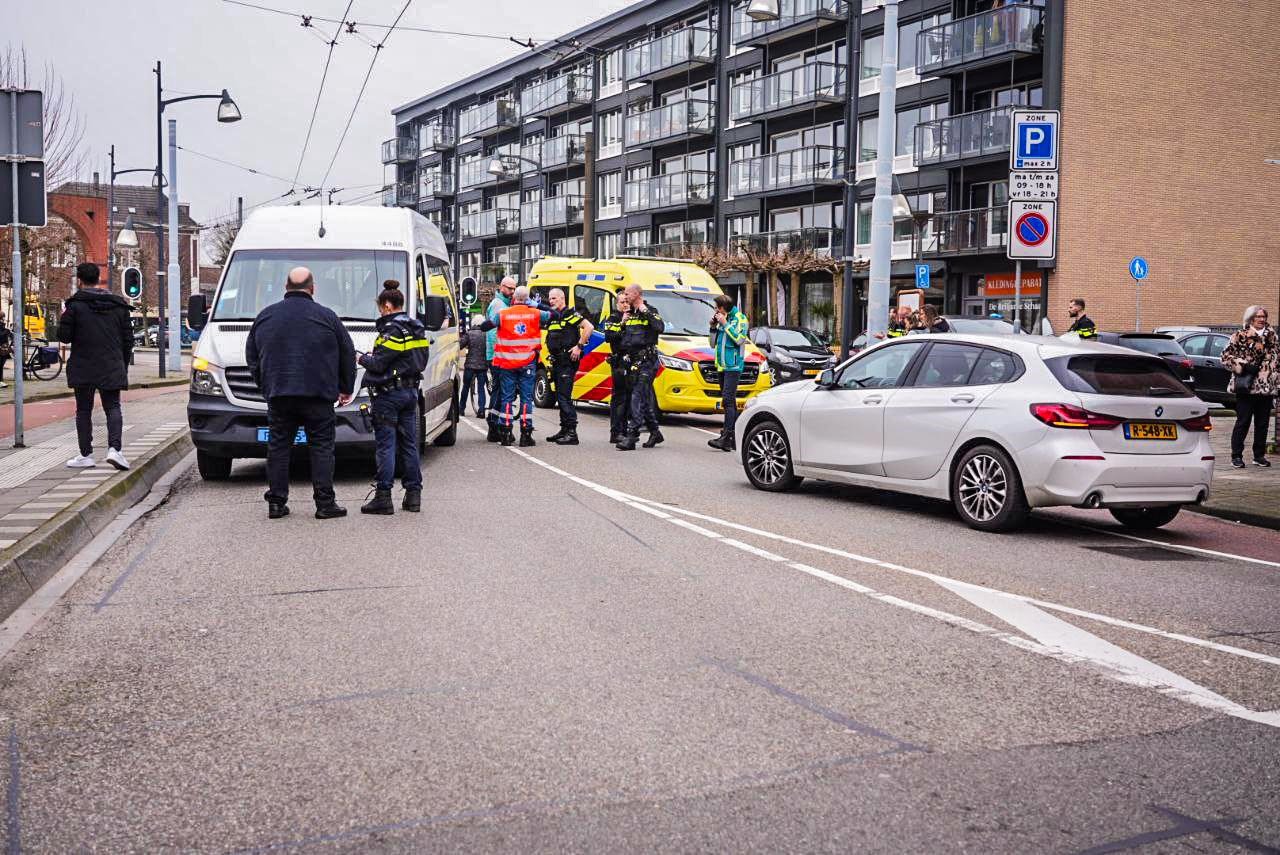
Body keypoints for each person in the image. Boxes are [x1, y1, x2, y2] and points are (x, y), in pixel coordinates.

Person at [246, 266, 356, 520]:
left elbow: (252, 355)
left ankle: (276, 502)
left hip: (280, 395)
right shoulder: (327, 317)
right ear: (312, 288)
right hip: (318, 396)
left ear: (285, 288)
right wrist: (345, 387)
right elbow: (347, 352)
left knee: (279, 447)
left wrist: (265, 385)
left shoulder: (265, 317)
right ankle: (325, 504)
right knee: (321, 448)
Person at [356, 282, 429, 515]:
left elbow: (378, 364)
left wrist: (361, 358)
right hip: (410, 393)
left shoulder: (392, 331)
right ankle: (413, 496)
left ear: (387, 306)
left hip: (389, 395)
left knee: (386, 446)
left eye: (380, 308)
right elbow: (419, 360)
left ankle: (383, 497)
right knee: (409, 445)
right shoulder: (416, 327)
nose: (380, 313)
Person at [56, 263, 134, 470]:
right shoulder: (119, 306)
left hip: (83, 365)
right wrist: (122, 365)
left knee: (83, 410)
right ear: (98, 278)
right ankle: (115, 451)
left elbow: (63, 337)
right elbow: (128, 340)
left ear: (79, 280)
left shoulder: (74, 306)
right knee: (113, 407)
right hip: (111, 364)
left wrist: (64, 315)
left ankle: (86, 455)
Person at [1221, 305, 1278, 469]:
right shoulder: (1240, 335)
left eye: (1264, 316)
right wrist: (1242, 365)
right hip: (1247, 387)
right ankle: (1236, 456)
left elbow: (1277, 361)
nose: (1262, 319)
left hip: (1266, 387)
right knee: (1243, 421)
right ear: (1251, 318)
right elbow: (1225, 357)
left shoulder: (1272, 337)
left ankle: (1259, 456)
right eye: (1259, 316)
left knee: (1263, 423)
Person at [491, 285, 544, 447]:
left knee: (507, 397)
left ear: (514, 298)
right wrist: (537, 305)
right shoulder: (536, 314)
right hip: (527, 363)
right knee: (527, 398)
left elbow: (487, 325)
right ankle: (526, 434)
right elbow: (555, 315)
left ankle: (506, 433)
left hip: (507, 363)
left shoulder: (503, 314)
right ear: (527, 299)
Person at [615, 283, 664, 451]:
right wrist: (622, 323)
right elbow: (622, 339)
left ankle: (632, 436)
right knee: (641, 398)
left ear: (637, 294)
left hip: (647, 361)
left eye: (628, 293)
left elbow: (660, 327)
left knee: (636, 396)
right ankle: (655, 431)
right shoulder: (628, 314)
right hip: (632, 362)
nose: (625, 296)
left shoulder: (649, 310)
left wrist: (645, 311)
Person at [544, 288, 593, 446]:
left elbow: (589, 327)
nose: (551, 301)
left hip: (567, 361)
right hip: (557, 361)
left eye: (554, 298)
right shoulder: (553, 317)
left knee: (564, 398)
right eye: (550, 298)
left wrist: (579, 346)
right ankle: (564, 430)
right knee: (560, 396)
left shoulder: (570, 313)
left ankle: (572, 433)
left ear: (562, 299)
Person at [707, 294, 748, 452]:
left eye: (717, 307)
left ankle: (727, 437)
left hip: (733, 366)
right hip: (722, 366)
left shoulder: (740, 319)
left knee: (728, 400)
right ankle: (732, 438)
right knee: (727, 401)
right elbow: (712, 344)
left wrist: (725, 324)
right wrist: (712, 327)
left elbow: (739, 339)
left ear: (723, 307)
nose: (716, 310)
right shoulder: (722, 319)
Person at [483, 276, 518, 442]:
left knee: (498, 390)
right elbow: (492, 333)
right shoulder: (499, 305)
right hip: (498, 356)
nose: (512, 292)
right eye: (509, 288)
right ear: (501, 287)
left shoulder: (503, 304)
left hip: (497, 355)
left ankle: (493, 426)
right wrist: (498, 354)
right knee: (501, 392)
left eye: (514, 289)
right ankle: (495, 426)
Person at [600, 291, 632, 444]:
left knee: (628, 398)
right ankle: (616, 432)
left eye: (627, 301)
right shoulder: (612, 318)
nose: (625, 304)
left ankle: (625, 431)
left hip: (632, 362)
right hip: (619, 361)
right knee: (619, 399)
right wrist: (622, 324)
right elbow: (609, 337)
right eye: (622, 302)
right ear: (617, 304)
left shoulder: (634, 316)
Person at [459, 314, 488, 418]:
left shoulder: (469, 333)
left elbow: (460, 345)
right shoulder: (486, 334)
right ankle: (481, 410)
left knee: (465, 387)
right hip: (482, 366)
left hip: (470, 365)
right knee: (481, 388)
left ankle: (461, 409)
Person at [0, 311, 11, 389]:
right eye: (3, 317)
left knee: (1, 365)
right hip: (1, 348)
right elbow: (1, 335)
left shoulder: (2, 325)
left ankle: (1, 381)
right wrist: (7, 331)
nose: (4, 319)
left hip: (4, 348)